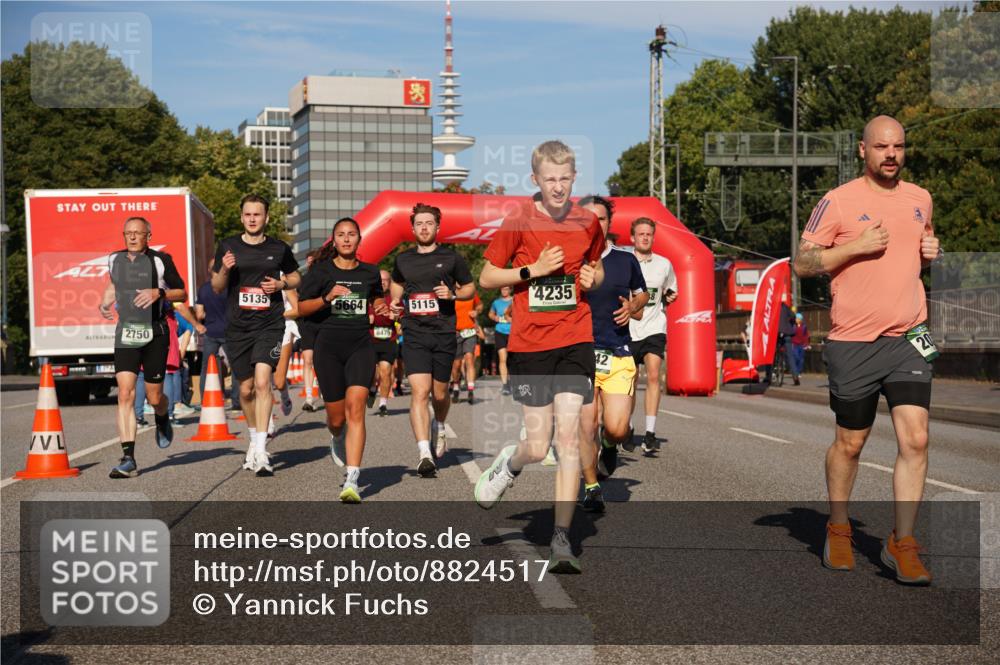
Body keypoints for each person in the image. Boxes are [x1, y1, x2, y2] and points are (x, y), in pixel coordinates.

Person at [794, 115, 941, 585]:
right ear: (863, 150)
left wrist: (930, 253)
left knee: (916, 439)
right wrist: (855, 247)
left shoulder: (920, 199)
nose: (891, 154)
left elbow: (914, 254)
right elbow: (802, 262)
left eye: (898, 146)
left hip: (909, 338)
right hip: (854, 342)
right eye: (881, 147)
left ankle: (903, 542)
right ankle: (838, 528)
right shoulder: (838, 201)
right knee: (851, 443)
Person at [474, 140, 605, 573]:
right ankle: (510, 464)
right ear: (535, 179)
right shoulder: (518, 220)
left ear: (574, 177)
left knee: (568, 439)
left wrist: (593, 277)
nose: (558, 187)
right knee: (536, 444)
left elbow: (597, 268)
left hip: (575, 338)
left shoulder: (588, 221)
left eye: (565, 178)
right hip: (531, 344)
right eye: (550, 179)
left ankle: (561, 539)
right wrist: (534, 271)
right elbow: (487, 276)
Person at [298, 218, 389, 502]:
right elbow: (302, 307)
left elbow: (376, 298)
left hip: (360, 346)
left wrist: (381, 306)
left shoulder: (370, 272)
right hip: (328, 348)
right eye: (341, 235)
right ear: (334, 240)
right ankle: (337, 437)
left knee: (356, 409)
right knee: (337, 419)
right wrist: (327, 298)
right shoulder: (320, 271)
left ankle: (352, 478)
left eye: (351, 234)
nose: (347, 239)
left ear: (359, 239)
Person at [211, 194, 300, 476]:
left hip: (269, 325)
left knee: (263, 383)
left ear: (266, 218)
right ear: (242, 217)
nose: (252, 219)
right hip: (238, 328)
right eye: (248, 214)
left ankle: (261, 451)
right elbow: (216, 286)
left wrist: (282, 284)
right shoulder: (228, 246)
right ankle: (253, 439)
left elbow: (296, 276)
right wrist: (224, 268)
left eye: (257, 214)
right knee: (246, 389)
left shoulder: (278, 248)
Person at [390, 203, 475, 473]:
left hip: (443, 331)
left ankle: (439, 424)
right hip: (414, 331)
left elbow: (470, 287)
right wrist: (395, 300)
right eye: (419, 223)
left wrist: (453, 295)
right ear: (413, 228)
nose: (424, 228)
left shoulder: (451, 258)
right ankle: (424, 453)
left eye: (429, 223)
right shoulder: (403, 259)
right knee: (419, 391)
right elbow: (396, 282)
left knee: (439, 394)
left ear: (437, 227)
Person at [99, 216, 187, 478]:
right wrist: (105, 302)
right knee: (125, 393)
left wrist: (159, 292)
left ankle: (162, 415)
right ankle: (128, 458)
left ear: (149, 236)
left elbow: (181, 292)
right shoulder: (115, 260)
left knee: (154, 397)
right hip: (126, 332)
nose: (133, 237)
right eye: (128, 233)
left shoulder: (161, 260)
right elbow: (113, 284)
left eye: (138, 233)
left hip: (155, 332)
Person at [578, 195, 648, 510]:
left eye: (601, 218)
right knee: (586, 423)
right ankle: (591, 487)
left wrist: (633, 306)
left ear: (609, 223)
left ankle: (609, 443)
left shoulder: (625, 259)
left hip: (617, 351)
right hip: (579, 353)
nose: (594, 224)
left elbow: (642, 295)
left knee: (617, 428)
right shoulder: (569, 258)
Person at [626, 217, 678, 453]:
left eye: (649, 234)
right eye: (641, 234)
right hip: (628, 329)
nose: (645, 238)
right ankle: (627, 426)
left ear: (653, 237)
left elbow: (671, 289)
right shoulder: (625, 262)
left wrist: (671, 296)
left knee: (654, 375)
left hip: (655, 327)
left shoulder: (664, 264)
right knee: (630, 379)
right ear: (632, 238)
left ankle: (650, 434)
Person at [195, 262, 240, 410]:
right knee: (235, 366)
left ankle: (205, 400)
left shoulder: (203, 289)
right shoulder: (230, 287)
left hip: (211, 331)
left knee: (206, 368)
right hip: (229, 331)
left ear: (209, 270)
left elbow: (199, 314)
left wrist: (210, 317)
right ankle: (237, 401)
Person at [370, 269, 400, 417]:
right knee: (371, 372)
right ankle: (372, 389)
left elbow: (401, 315)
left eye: (385, 280)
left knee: (386, 371)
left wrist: (396, 316)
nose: (382, 283)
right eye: (379, 280)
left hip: (389, 340)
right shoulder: (369, 297)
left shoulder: (394, 298)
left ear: (390, 282)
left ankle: (383, 404)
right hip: (370, 340)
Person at [298, 250, 321, 412]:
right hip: (306, 323)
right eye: (309, 261)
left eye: (313, 260)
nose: (310, 263)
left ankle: (325, 389)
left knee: (322, 360)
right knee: (308, 360)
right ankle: (309, 398)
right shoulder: (301, 280)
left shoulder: (325, 278)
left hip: (323, 323)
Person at [451, 291, 483, 403]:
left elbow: (480, 305)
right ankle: (456, 387)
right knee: (456, 364)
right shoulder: (451, 293)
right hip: (455, 332)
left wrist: (476, 311)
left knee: (469, 359)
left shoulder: (471, 292)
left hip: (470, 331)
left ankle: (470, 390)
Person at [489, 285, 514, 395]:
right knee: (502, 358)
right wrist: (494, 317)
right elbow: (490, 313)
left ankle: (512, 382)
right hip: (500, 332)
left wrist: (512, 319)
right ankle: (505, 385)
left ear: (510, 289)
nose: (504, 291)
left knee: (512, 360)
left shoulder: (515, 300)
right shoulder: (496, 302)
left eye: (506, 289)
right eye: (502, 289)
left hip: (513, 332)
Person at [790, 312, 810, 385]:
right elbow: (791, 335)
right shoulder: (793, 326)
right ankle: (795, 371)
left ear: (801, 319)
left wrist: (806, 344)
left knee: (801, 359)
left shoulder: (804, 326)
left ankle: (799, 372)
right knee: (796, 357)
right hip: (794, 344)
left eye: (798, 318)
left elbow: (806, 335)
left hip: (802, 345)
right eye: (796, 318)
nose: (797, 320)